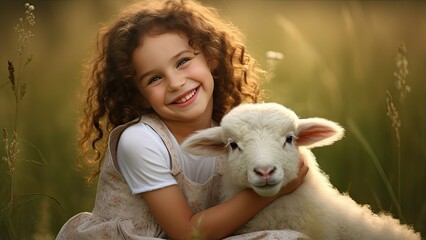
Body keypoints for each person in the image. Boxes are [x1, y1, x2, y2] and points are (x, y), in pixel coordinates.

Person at [56, 0, 308, 239]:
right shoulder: (140, 142)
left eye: (183, 61)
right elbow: (186, 233)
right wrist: (274, 192)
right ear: (140, 97)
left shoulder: (230, 137)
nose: (176, 83)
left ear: (210, 58)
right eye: (154, 79)